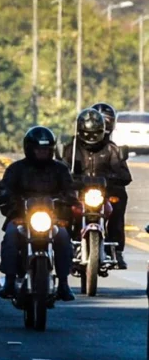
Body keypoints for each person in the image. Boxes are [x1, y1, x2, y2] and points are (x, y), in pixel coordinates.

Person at [0, 126, 77, 301]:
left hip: (52, 219)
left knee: (63, 238)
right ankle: (9, 281)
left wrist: (68, 204)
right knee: (10, 236)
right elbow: (6, 190)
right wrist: (9, 202)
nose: (42, 153)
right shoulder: (16, 169)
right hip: (22, 219)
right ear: (29, 149)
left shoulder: (60, 169)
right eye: (39, 149)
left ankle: (63, 283)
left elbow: (70, 190)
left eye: (46, 150)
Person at [72, 102, 132, 269]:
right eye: (87, 133)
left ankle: (116, 249)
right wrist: (69, 180)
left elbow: (125, 175)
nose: (91, 137)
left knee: (118, 201)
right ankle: (64, 244)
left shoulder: (111, 149)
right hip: (78, 192)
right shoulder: (73, 147)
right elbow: (61, 168)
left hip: (103, 193)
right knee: (61, 207)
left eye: (95, 133)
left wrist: (112, 178)